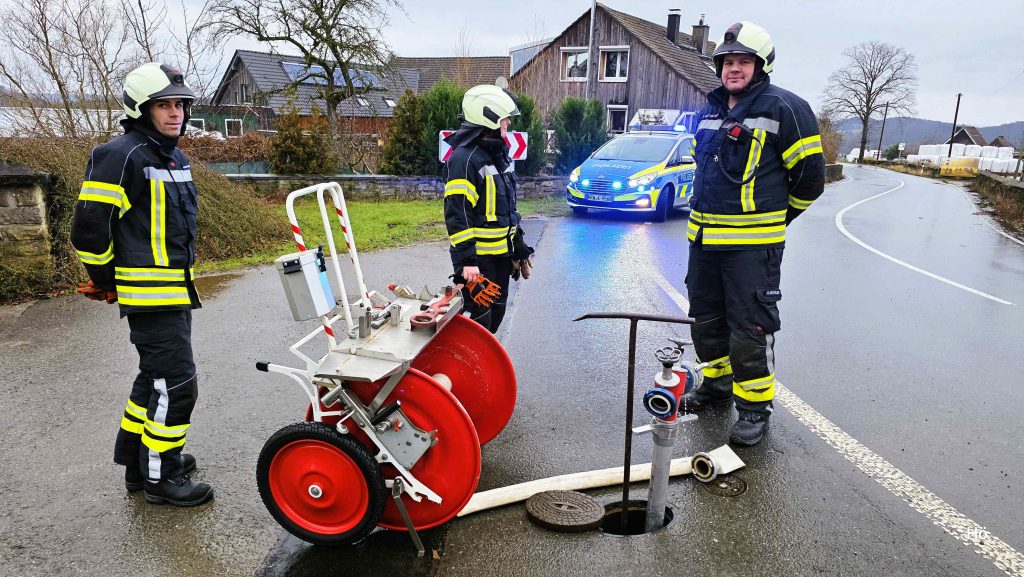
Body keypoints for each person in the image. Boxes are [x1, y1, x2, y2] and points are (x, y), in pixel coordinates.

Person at [70, 62, 212, 506]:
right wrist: (107, 281)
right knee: (178, 385)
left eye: (180, 104)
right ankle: (161, 477)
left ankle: (137, 461)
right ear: (140, 109)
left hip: (175, 292)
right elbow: (89, 230)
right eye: (164, 105)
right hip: (149, 297)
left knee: (155, 380)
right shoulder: (120, 155)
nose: (175, 113)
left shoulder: (175, 157)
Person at [681, 22, 825, 446]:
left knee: (750, 330)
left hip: (751, 249)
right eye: (727, 61)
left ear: (761, 65)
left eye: (743, 61)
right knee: (706, 321)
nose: (733, 68)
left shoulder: (786, 108)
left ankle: (754, 410)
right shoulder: (710, 110)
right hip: (703, 243)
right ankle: (717, 385)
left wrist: (775, 221)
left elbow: (810, 181)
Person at [443, 84, 534, 334]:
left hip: (501, 258)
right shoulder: (464, 159)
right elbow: (457, 214)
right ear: (489, 117)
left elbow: (506, 208)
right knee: (478, 324)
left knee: (496, 316)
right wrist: (467, 263)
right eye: (505, 118)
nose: (508, 123)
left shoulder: (497, 155)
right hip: (478, 264)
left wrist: (517, 244)